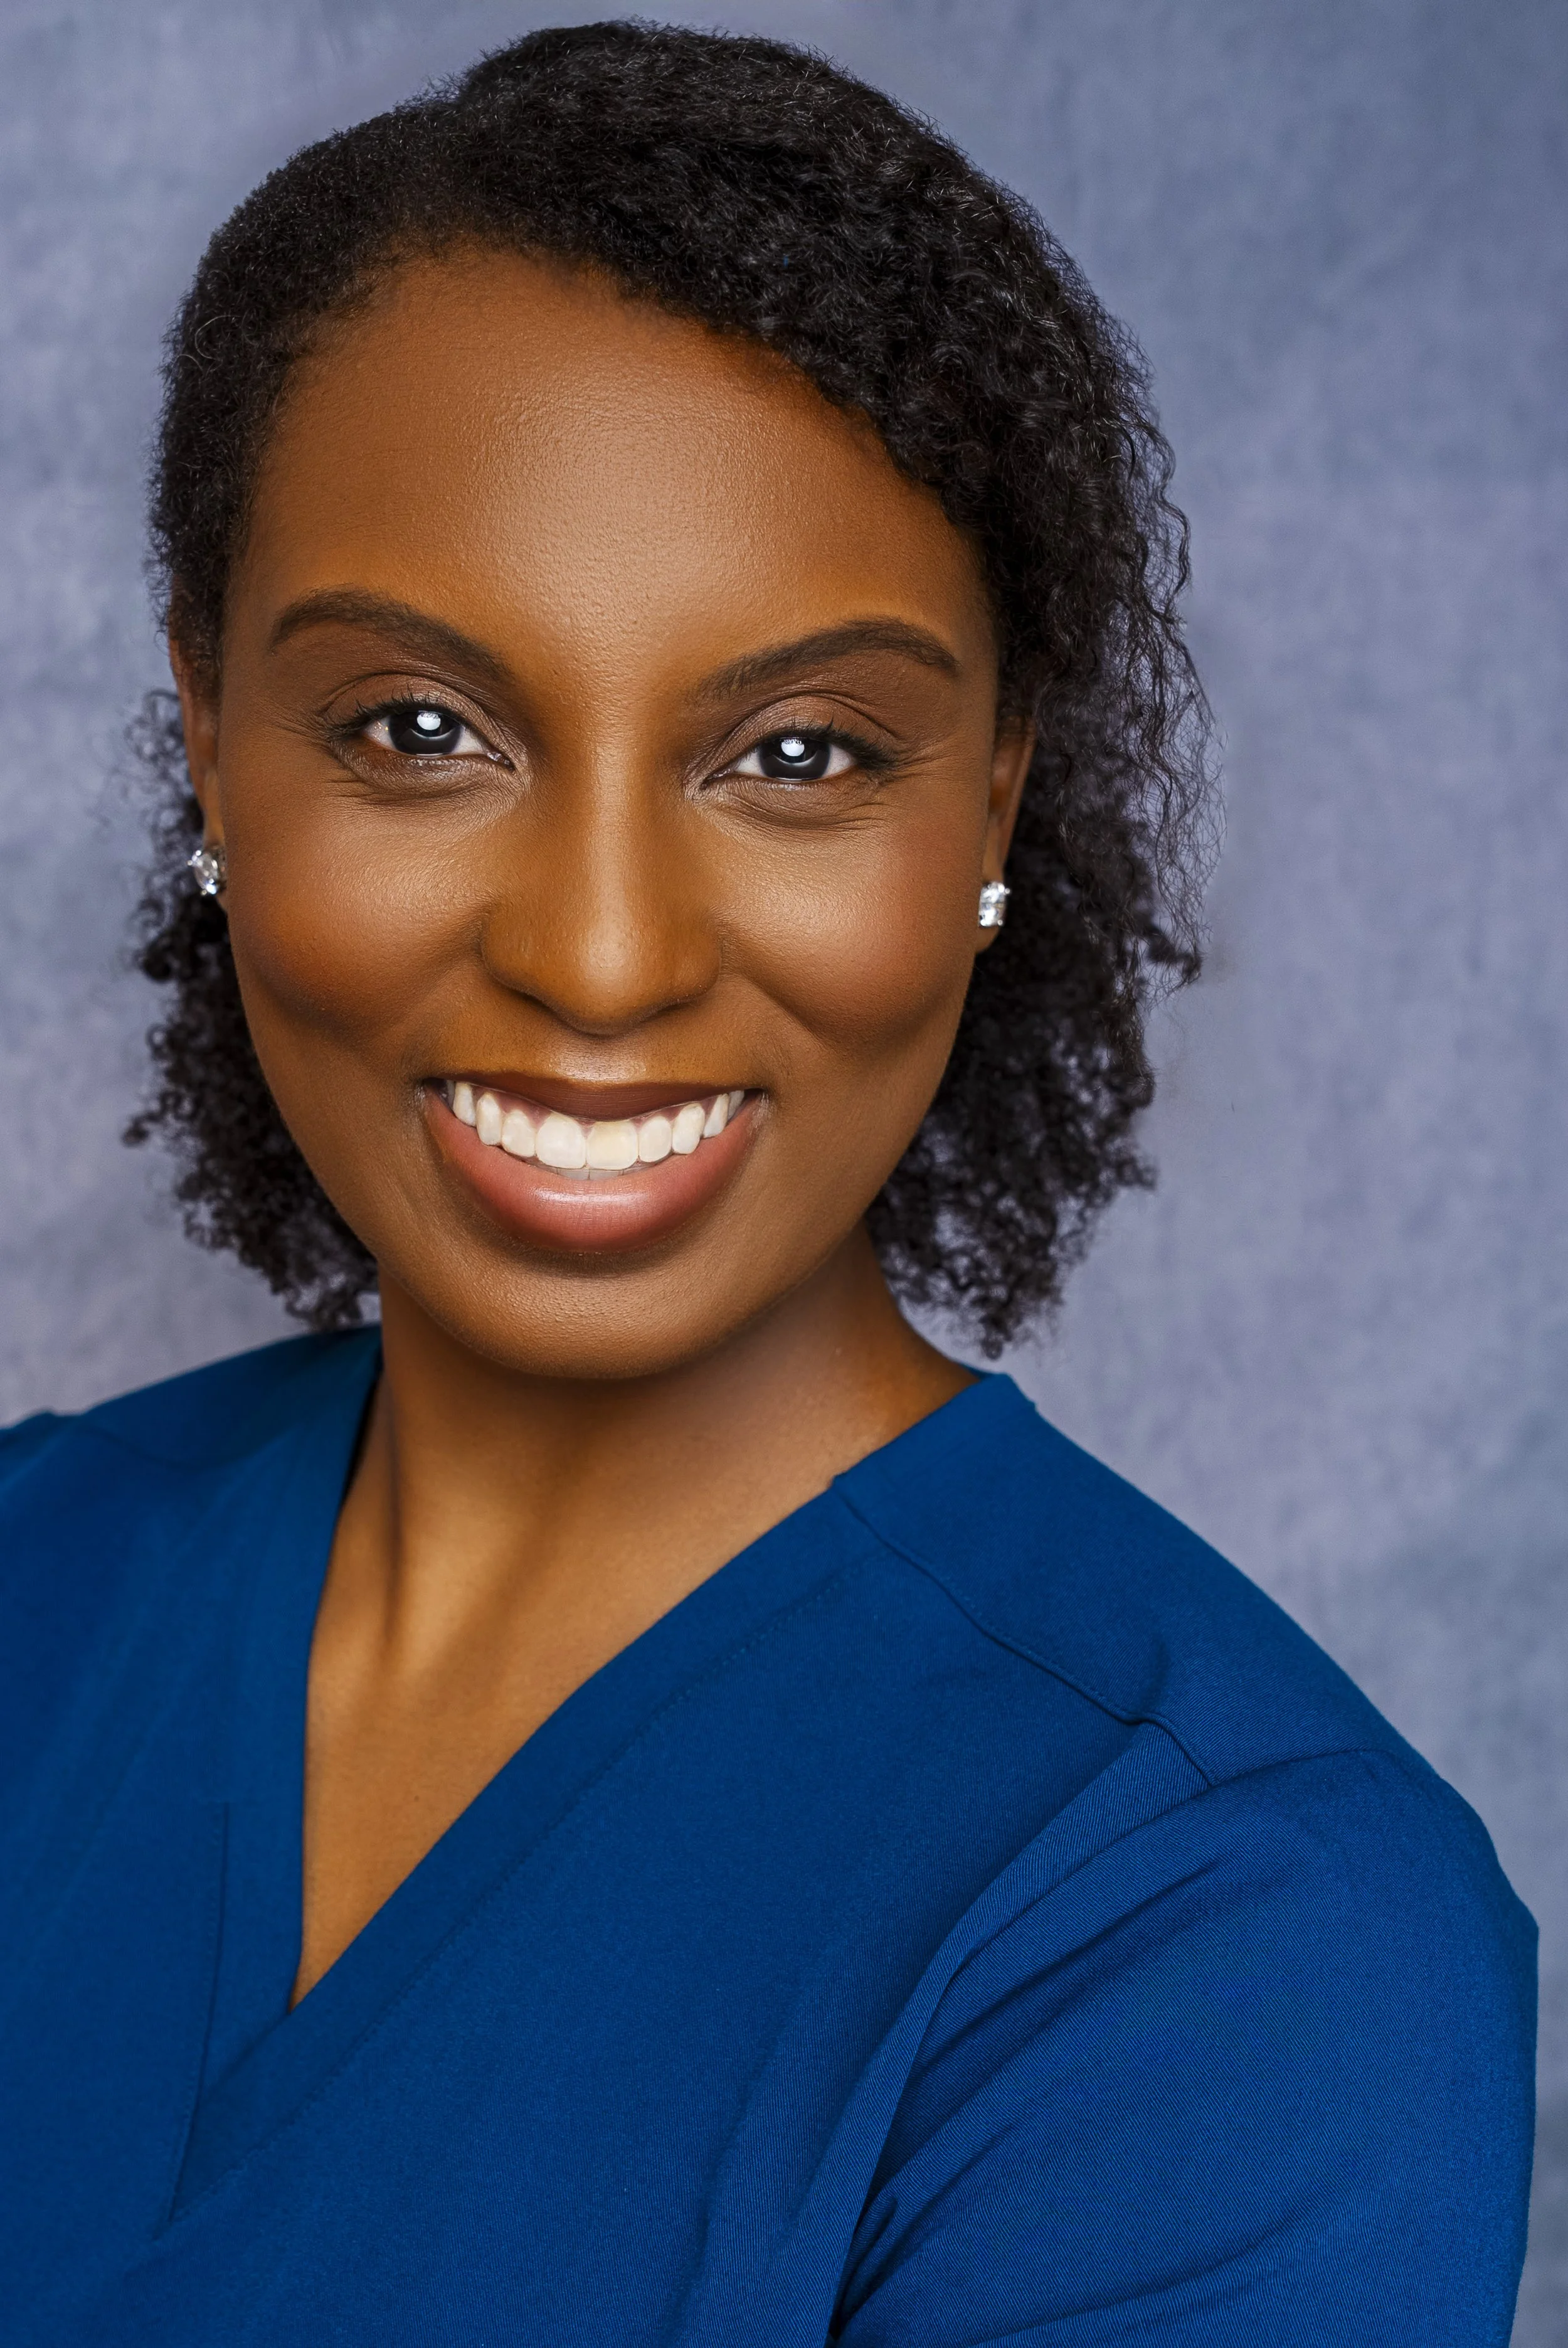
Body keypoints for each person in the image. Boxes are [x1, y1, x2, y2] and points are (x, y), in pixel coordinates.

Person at [0, 22, 1534, 2344]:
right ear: (211, 741)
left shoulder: (1239, 1936)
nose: (597, 952)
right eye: (421, 730)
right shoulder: (33, 1573)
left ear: (994, 812)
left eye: (798, 754)